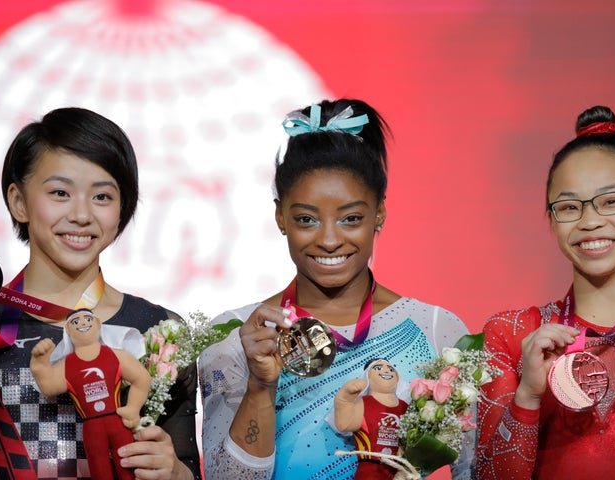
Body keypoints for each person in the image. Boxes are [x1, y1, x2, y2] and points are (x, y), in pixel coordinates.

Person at [199, 98, 472, 479]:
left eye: (351, 219)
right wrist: (261, 386)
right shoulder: (239, 337)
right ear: (280, 217)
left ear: (380, 214)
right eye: (307, 219)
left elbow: (474, 469)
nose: (329, 240)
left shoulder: (435, 329)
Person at [0, 107, 200, 479]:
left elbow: (187, 465)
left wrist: (175, 473)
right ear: (18, 201)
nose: (82, 215)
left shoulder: (160, 330)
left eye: (102, 197)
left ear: (122, 208)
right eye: (60, 192)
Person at [476, 105, 615, 479]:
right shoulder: (512, 334)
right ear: (551, 220)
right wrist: (528, 396)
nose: (590, 220)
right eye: (568, 207)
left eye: (611, 201)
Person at [30, 308, 151, 479]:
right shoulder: (67, 364)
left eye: (88, 318)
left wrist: (133, 407)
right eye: (76, 321)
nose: (83, 323)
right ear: (68, 330)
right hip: (91, 428)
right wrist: (40, 366)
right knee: (98, 468)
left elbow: (142, 378)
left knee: (128, 464)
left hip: (118, 421)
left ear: (98, 324)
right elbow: (49, 387)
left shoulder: (115, 355)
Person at [333, 358, 410, 479]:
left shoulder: (405, 407)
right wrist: (345, 398)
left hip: (401, 472)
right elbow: (344, 424)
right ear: (368, 375)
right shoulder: (363, 403)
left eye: (390, 369)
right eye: (378, 368)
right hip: (370, 471)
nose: (386, 371)